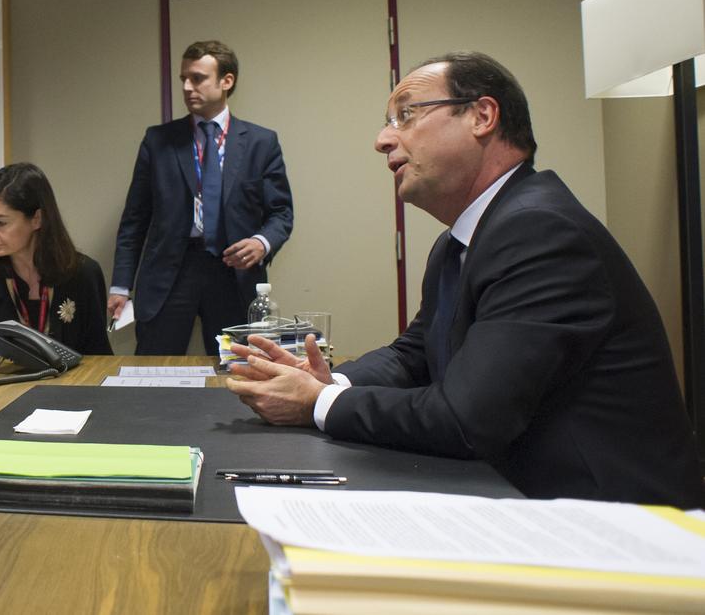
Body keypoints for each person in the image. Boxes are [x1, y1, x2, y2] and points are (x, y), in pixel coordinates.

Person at [226, 51, 705, 507]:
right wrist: (328, 378)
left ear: (482, 116)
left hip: (613, 522)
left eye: (405, 116)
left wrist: (320, 401)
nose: (383, 139)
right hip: (523, 492)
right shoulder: (461, 240)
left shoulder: (540, 231)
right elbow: (414, 355)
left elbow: (466, 420)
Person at [109, 40, 293, 355]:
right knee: (154, 369)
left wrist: (261, 243)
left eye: (197, 78)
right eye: (184, 78)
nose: (186, 87)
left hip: (233, 274)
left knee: (237, 369)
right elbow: (134, 219)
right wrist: (120, 285)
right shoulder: (158, 140)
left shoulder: (261, 143)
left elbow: (281, 213)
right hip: (170, 273)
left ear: (226, 81)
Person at [0, 163, 112, 355]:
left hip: (74, 376)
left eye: (1, 222)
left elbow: (99, 355)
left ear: (37, 219)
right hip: (1, 377)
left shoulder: (83, 274)